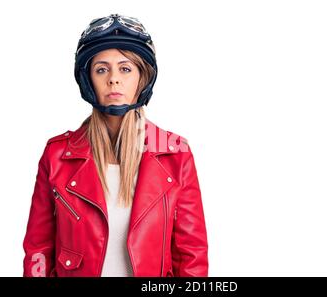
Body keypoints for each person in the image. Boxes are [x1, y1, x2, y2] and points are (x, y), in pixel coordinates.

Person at [22, 14, 208, 277]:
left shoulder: (176, 154)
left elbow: (192, 256)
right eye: (101, 69)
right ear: (88, 81)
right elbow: (37, 251)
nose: (113, 79)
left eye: (125, 68)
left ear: (142, 78)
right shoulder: (56, 156)